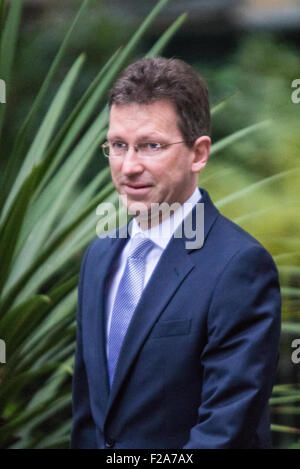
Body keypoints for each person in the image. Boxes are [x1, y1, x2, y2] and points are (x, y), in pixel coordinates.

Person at [71, 57, 281, 449]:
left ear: (198, 153)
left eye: (151, 145)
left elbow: (225, 431)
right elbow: (88, 417)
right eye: (118, 145)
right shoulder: (99, 258)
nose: (129, 166)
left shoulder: (239, 267)